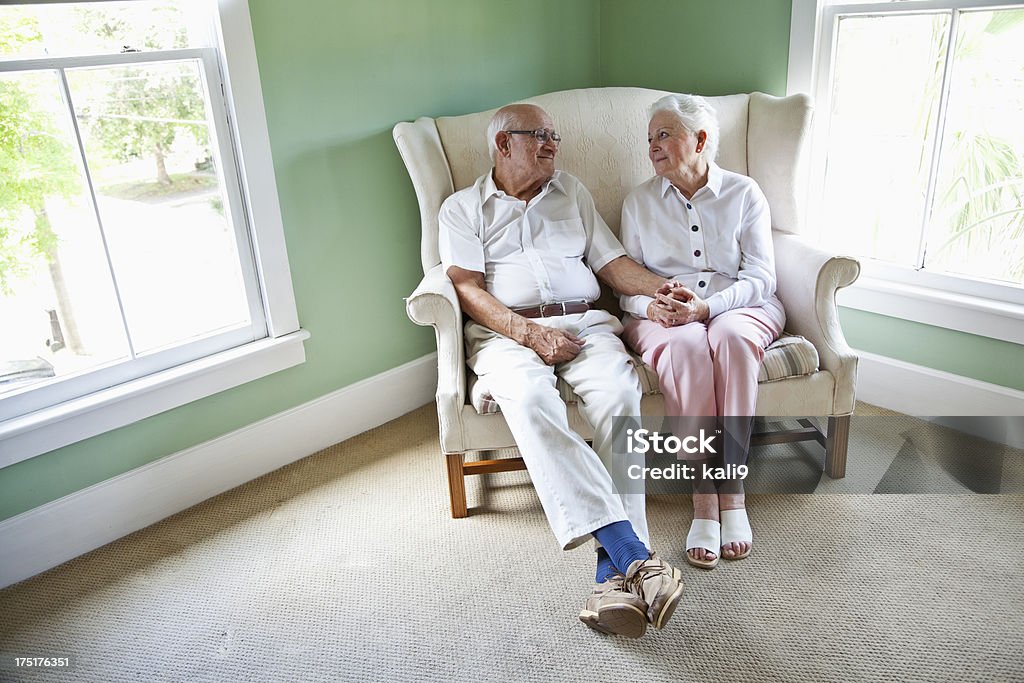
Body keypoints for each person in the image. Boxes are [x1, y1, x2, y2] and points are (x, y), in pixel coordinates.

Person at [438, 102, 683, 638]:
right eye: (539, 135)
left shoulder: (572, 192)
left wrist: (660, 290)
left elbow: (611, 264)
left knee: (620, 400)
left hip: (587, 325)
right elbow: (466, 287)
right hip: (508, 335)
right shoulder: (462, 208)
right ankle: (633, 556)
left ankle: (613, 577)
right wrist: (528, 334)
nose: (552, 144)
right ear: (503, 145)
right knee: (528, 400)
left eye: (555, 135)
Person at [619, 94, 786, 570]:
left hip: (740, 305)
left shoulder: (744, 193)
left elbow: (762, 278)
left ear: (701, 140)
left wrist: (708, 307)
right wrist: (650, 306)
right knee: (689, 350)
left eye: (664, 134)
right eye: (650, 137)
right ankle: (704, 501)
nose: (653, 146)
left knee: (729, 338)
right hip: (665, 318)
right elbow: (624, 283)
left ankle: (732, 493)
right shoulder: (638, 201)